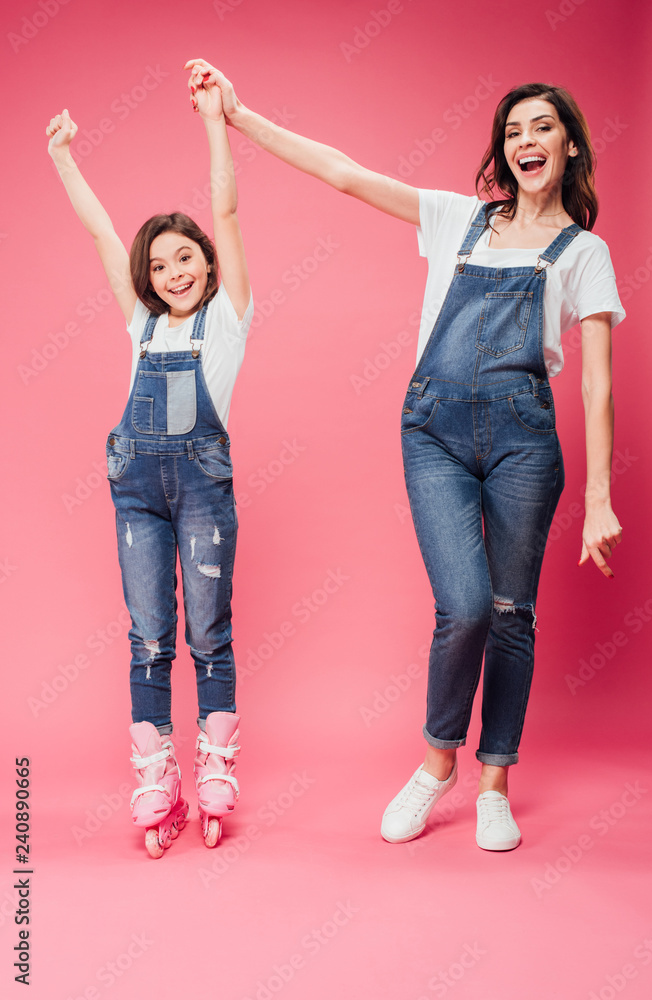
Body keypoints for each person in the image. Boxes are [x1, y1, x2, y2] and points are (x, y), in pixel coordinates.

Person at [185, 60, 625, 850]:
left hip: (526, 440)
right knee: (462, 607)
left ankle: (495, 780)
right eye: (513, 130)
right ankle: (435, 764)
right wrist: (240, 115)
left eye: (542, 129)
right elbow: (345, 175)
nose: (526, 141)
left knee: (510, 612)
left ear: (568, 151)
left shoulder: (581, 253)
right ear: (504, 150)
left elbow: (596, 386)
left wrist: (598, 497)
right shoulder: (459, 218)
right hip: (434, 432)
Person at [46, 71, 253, 858]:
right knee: (147, 638)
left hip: (202, 498)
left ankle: (216, 763)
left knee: (209, 633)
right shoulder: (140, 329)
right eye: (158, 262)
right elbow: (103, 234)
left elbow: (227, 208)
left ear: (206, 261)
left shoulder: (228, 322)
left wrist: (213, 122)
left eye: (185, 256)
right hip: (137, 499)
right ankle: (155, 772)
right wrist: (65, 158)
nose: (172, 271)